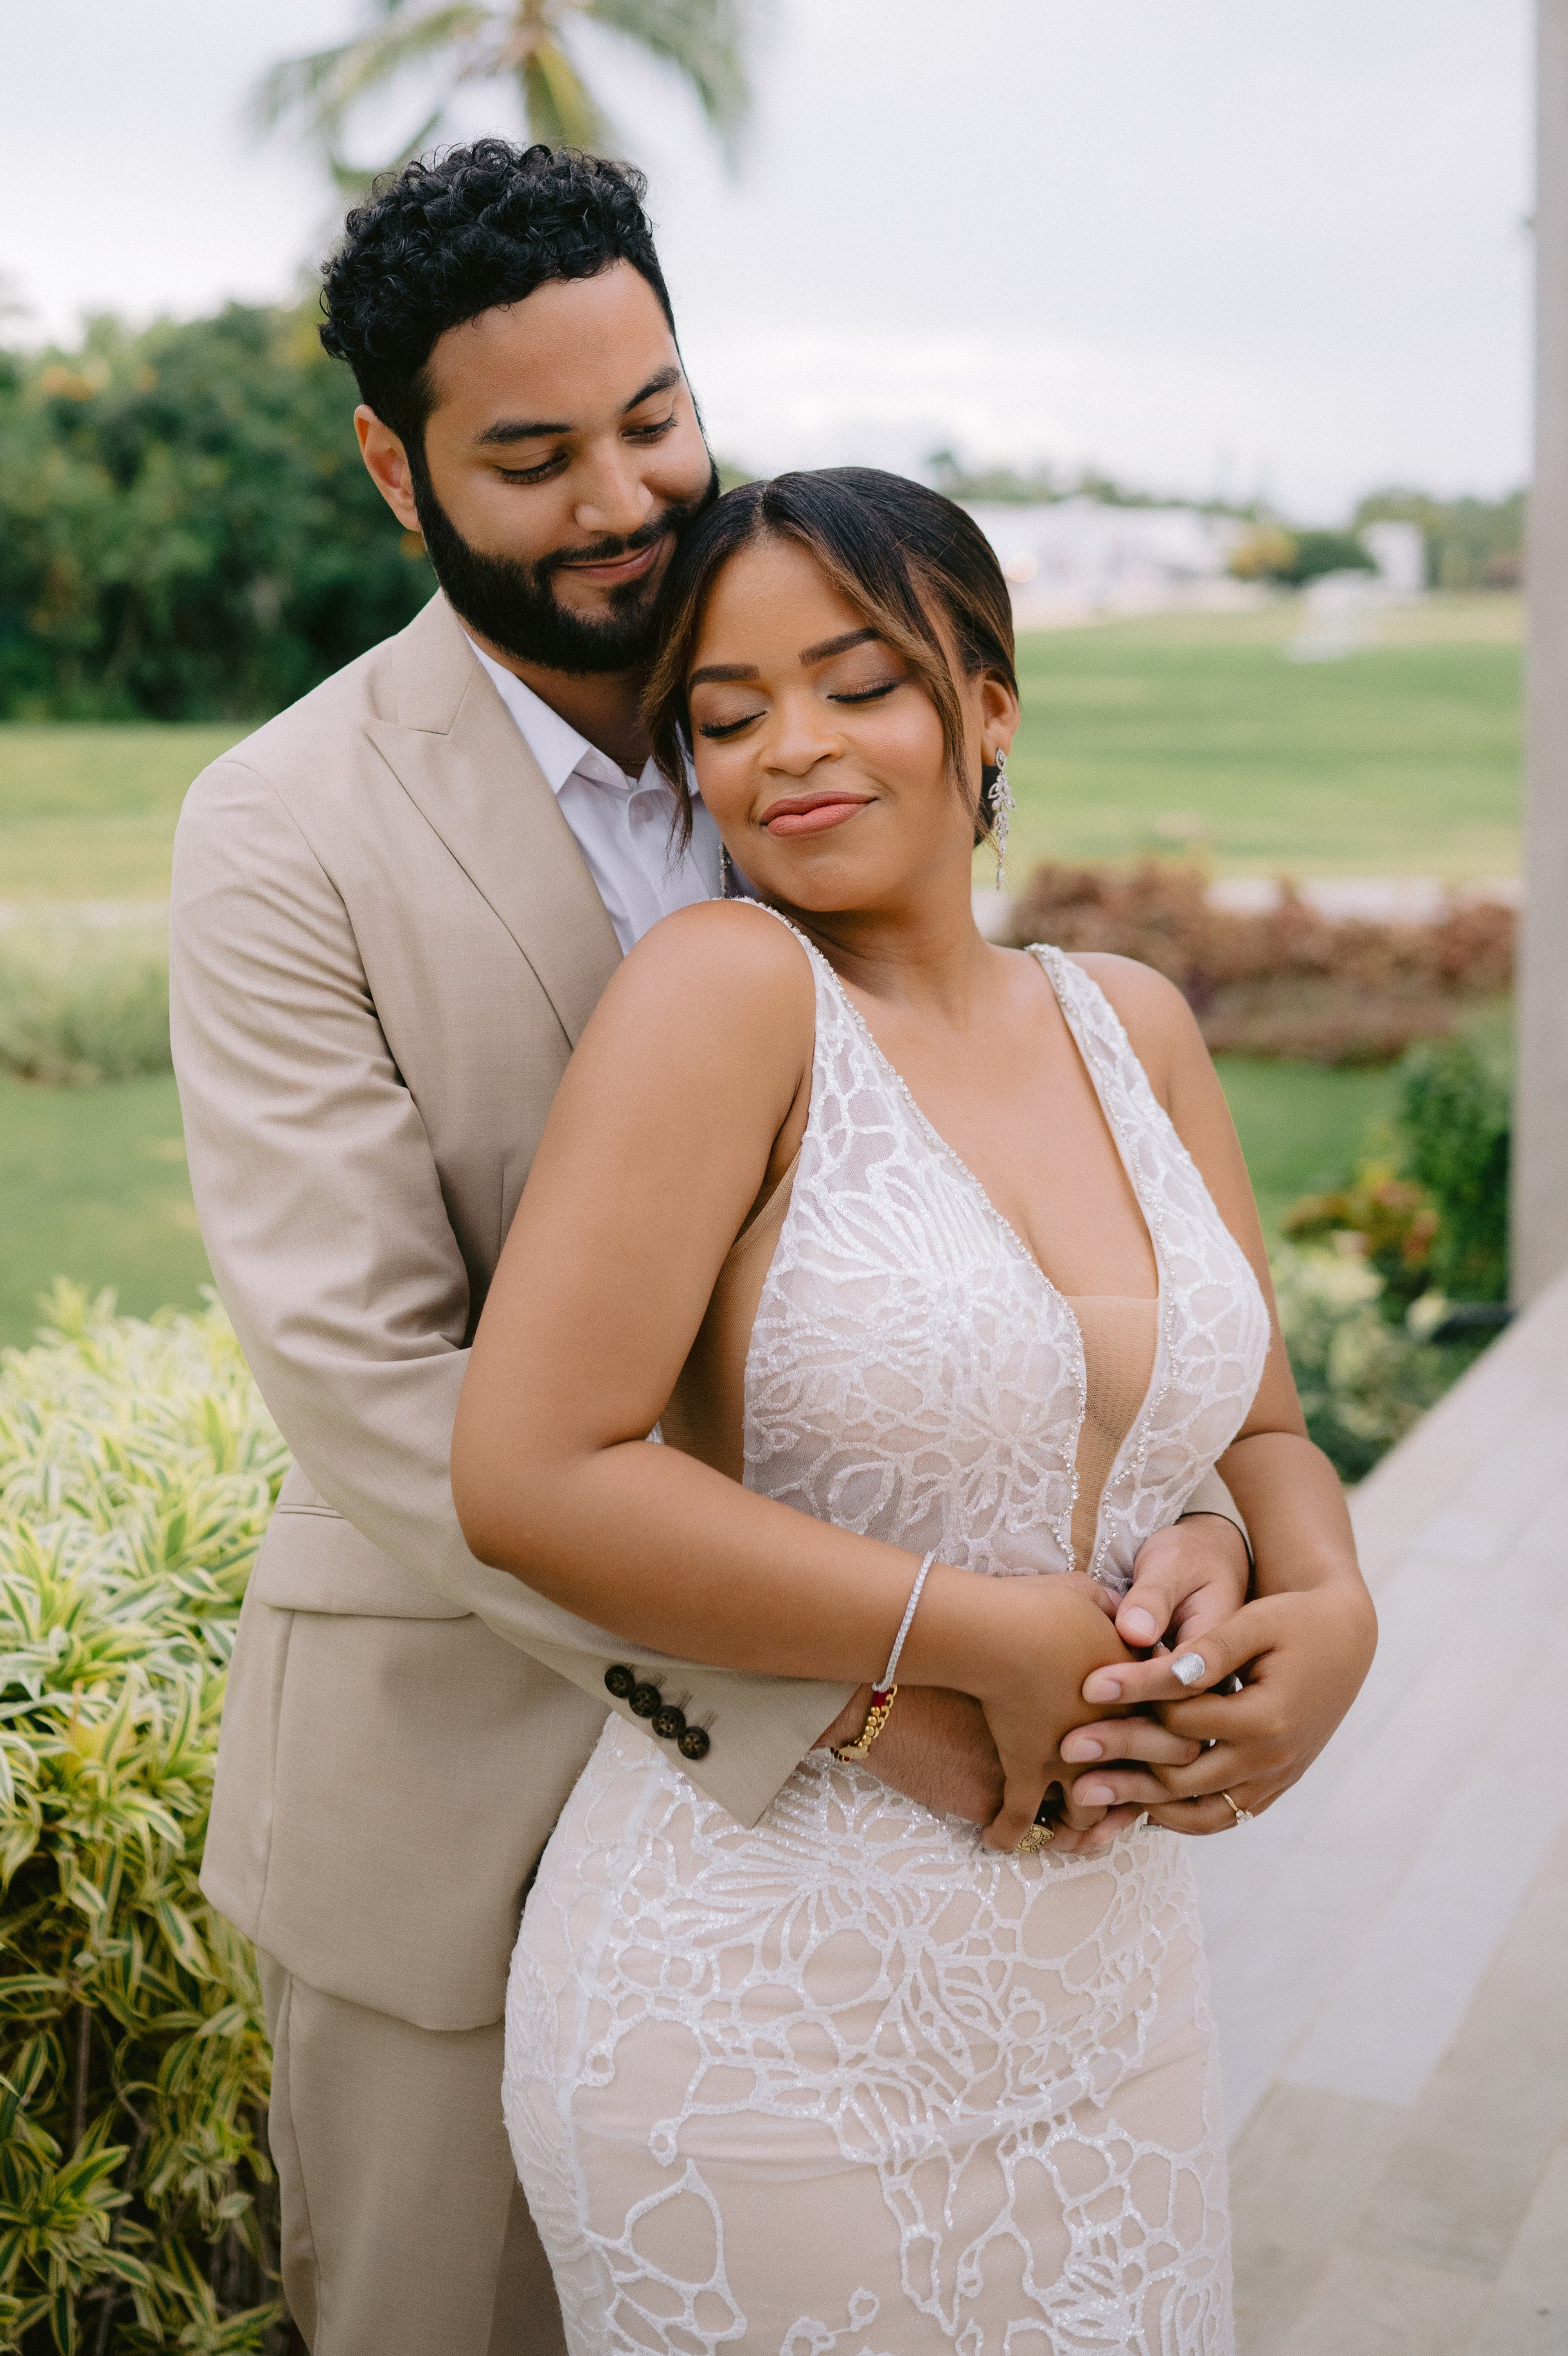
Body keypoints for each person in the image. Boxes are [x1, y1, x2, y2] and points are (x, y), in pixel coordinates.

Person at [173, 142, 1275, 2356]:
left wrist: (1209, 1533)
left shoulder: (804, 690)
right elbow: (383, 1383)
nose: (621, 497)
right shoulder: (280, 835)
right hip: (466, 1791)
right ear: (396, 467)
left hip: (944, 1871)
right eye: (531, 453)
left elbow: (1033, 1217)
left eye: (653, 415)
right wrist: (869, 1678)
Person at [450, 467, 1378, 2353]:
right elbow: (529, 1473)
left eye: (861, 682)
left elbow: (1256, 1430)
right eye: (725, 712)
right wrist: (982, 1632)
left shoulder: (1136, 1023)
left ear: (992, 705)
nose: (791, 746)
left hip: (1113, 1994)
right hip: (762, 2011)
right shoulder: (726, 995)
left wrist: (1333, 1607)